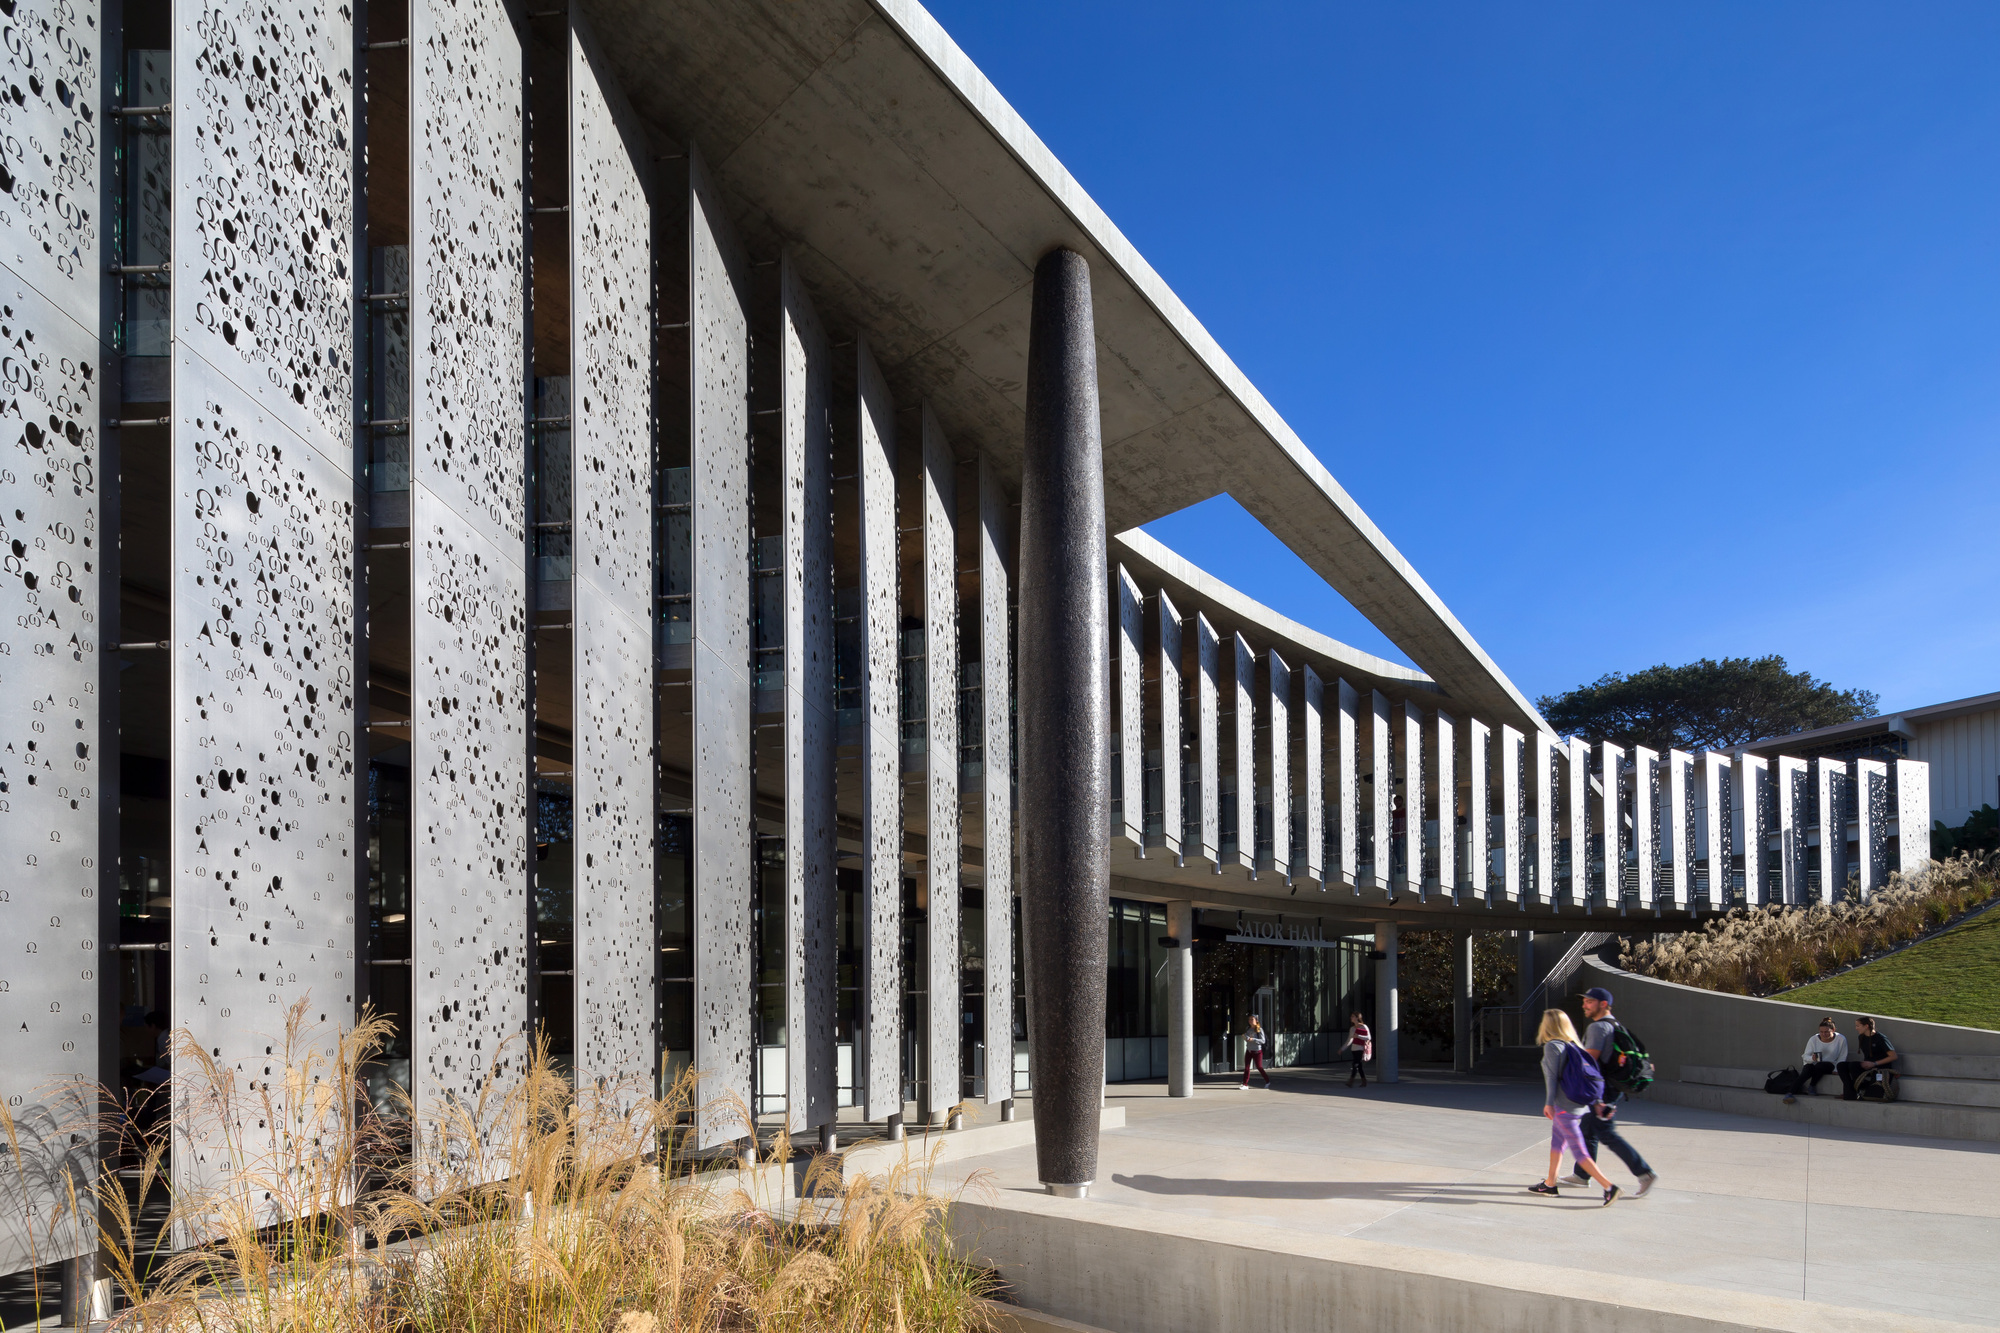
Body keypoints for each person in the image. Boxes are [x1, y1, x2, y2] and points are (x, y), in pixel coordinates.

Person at [1563, 988, 1659, 1198]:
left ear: (1603, 1004)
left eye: (1589, 1002)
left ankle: (1644, 1172)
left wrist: (1593, 1096)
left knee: (1606, 1133)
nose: (1584, 1005)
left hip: (1602, 1091)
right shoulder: (1616, 1025)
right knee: (1588, 1130)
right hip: (1611, 1088)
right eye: (1584, 1001)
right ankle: (1581, 1175)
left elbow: (1590, 1063)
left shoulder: (1598, 1028)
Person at [1528, 1008, 1619, 1205]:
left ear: (1547, 1025)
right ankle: (1550, 1183)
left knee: (1579, 1152)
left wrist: (1549, 1103)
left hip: (1564, 1108)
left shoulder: (1553, 1046)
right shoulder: (1574, 1045)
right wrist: (1596, 1102)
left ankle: (1609, 1187)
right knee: (1557, 1144)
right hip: (1577, 1105)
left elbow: (1551, 1078)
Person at [1784, 1016, 1846, 1104]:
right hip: (1813, 1063)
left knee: (1821, 1066)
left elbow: (1842, 1056)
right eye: (1821, 1032)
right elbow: (1805, 1056)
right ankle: (1790, 1093)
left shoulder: (1841, 1039)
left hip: (1829, 1064)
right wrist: (1811, 1058)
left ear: (1833, 1030)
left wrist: (1837, 1069)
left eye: (1827, 1032)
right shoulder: (1813, 1039)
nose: (1824, 1034)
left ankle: (1812, 1085)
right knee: (1806, 1072)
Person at [1837, 1016, 1898, 1100]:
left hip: (1880, 1066)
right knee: (1841, 1065)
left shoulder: (1880, 1038)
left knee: (1853, 1066)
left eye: (1858, 1026)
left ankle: (1859, 1089)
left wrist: (1874, 1063)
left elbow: (1893, 1056)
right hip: (1868, 1065)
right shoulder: (1861, 1037)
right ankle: (1850, 1092)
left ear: (1866, 1026)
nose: (1856, 1028)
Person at [1237, 1014, 1273, 1090]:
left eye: (1252, 1019)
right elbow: (1247, 1037)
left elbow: (1263, 1041)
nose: (1250, 1021)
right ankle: (1245, 1084)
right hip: (1249, 1050)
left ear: (1256, 1021)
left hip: (1257, 1051)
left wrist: (1253, 1039)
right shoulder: (1248, 1029)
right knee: (1247, 1067)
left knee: (1259, 1067)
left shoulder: (1259, 1029)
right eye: (1249, 1019)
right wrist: (1246, 1037)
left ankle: (1267, 1081)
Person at [1338, 1011, 1373, 1088]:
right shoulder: (1352, 1028)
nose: (1351, 1018)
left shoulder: (1364, 1027)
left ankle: (1351, 1081)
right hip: (1354, 1049)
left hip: (1361, 1049)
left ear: (1357, 1018)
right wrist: (1342, 1049)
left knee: (1355, 1065)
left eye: (1353, 1016)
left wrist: (1358, 1036)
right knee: (1359, 1066)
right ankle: (1364, 1081)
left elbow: (1368, 1037)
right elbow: (1349, 1040)